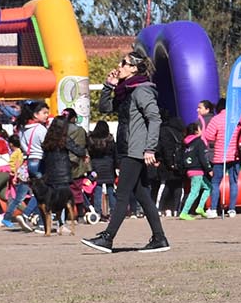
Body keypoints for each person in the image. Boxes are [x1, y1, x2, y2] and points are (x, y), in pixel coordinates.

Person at [82, 48, 170, 254]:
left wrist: (150, 148)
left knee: (121, 194)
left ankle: (107, 238)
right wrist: (108, 86)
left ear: (134, 68)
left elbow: (155, 118)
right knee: (143, 195)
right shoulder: (126, 90)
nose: (119, 66)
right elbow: (105, 108)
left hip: (135, 150)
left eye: (123, 63)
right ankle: (159, 238)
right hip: (126, 148)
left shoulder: (142, 90)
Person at [1, 101, 51, 230]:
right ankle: (27, 214)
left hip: (28, 161)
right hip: (40, 160)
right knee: (43, 193)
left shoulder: (22, 129)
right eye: (44, 113)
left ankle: (41, 223)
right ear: (35, 114)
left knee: (37, 192)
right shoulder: (40, 129)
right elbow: (47, 145)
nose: (47, 115)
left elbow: (23, 147)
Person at [200, 107, 241, 218]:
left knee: (215, 182)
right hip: (236, 156)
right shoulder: (238, 119)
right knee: (233, 182)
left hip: (220, 156)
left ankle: (213, 209)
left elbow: (208, 136)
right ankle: (232, 209)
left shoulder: (216, 119)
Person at [36, 117, 76, 235]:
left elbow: (44, 156)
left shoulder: (48, 139)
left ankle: (46, 226)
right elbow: (77, 150)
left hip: (50, 174)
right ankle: (61, 225)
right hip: (63, 174)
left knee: (49, 201)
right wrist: (83, 154)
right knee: (62, 200)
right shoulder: (65, 139)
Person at [178, 122, 212, 219]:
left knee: (208, 187)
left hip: (190, 170)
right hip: (197, 170)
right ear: (196, 131)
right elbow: (203, 157)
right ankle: (184, 212)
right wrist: (209, 169)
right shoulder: (199, 142)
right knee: (194, 192)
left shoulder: (186, 143)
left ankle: (200, 207)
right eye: (200, 129)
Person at [87, 121, 117, 220]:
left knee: (98, 189)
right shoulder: (110, 139)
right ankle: (113, 212)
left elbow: (90, 153)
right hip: (109, 165)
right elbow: (115, 153)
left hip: (96, 165)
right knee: (110, 189)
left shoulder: (91, 139)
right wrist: (116, 165)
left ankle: (98, 212)